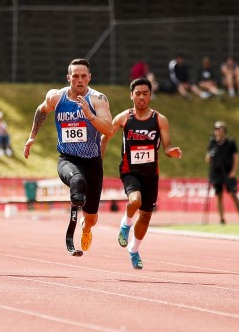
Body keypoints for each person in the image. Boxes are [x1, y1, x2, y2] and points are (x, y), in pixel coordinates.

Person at [23, 58, 113, 256]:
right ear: (68, 78)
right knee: (77, 180)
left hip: (93, 163)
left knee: (91, 218)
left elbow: (109, 130)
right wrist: (31, 137)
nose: (79, 80)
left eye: (83, 76)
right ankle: (70, 235)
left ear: (89, 77)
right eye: (75, 76)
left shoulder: (98, 99)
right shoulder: (57, 97)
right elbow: (41, 110)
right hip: (68, 159)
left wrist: (90, 115)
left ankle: (85, 228)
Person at [100, 77, 183, 269]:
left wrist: (171, 151)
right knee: (134, 201)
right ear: (131, 96)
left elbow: (167, 145)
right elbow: (106, 135)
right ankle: (126, 224)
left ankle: (134, 250)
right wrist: (98, 160)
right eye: (138, 93)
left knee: (146, 216)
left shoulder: (159, 120)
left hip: (151, 174)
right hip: (130, 171)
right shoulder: (124, 118)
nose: (142, 97)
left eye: (145, 93)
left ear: (150, 95)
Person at [206, 121, 239, 225]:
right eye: (215, 129)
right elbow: (207, 159)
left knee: (233, 194)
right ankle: (221, 219)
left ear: (224, 130)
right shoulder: (212, 143)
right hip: (216, 173)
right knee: (218, 196)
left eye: (219, 129)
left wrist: (233, 171)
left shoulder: (230, 143)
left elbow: (236, 157)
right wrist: (210, 155)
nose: (217, 131)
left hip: (228, 173)